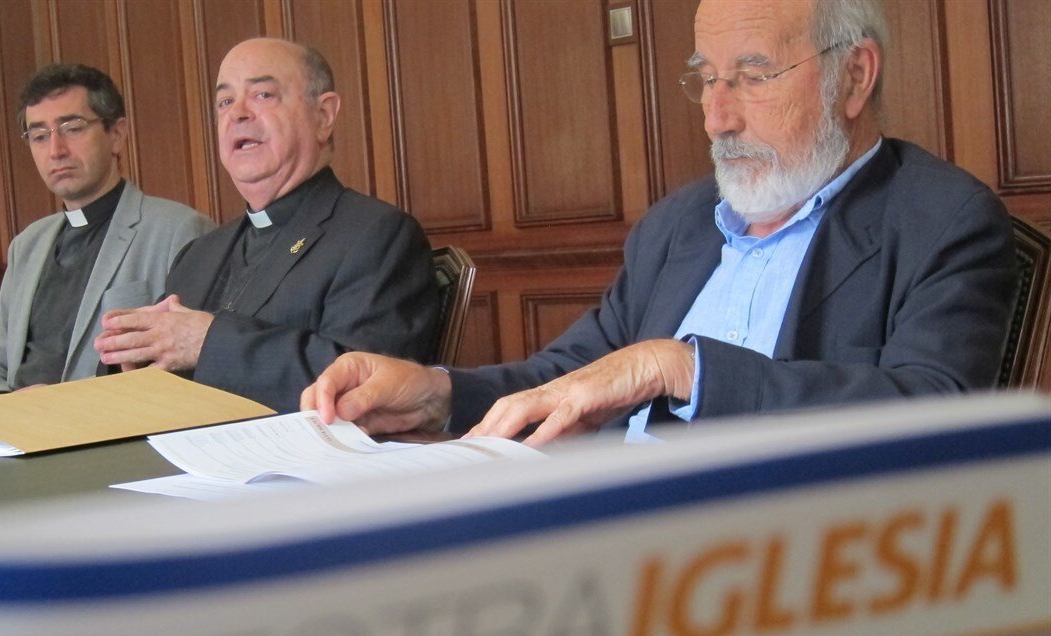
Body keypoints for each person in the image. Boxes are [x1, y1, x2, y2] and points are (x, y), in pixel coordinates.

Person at [302, 0, 1016, 445]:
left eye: (753, 77)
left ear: (854, 76)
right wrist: (436, 393)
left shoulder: (942, 220)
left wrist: (684, 368)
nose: (717, 117)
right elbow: (567, 377)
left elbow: (934, 415)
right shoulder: (679, 225)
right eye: (707, 78)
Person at [93, 39, 441, 413]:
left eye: (262, 95)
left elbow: (368, 385)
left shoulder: (378, 236)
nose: (237, 114)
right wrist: (130, 355)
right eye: (225, 102)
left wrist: (207, 342)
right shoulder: (198, 254)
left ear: (323, 115)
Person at [0, 64, 213, 398]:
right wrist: (2, 405)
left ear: (116, 134)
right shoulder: (27, 245)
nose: (56, 150)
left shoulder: (178, 231)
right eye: (39, 136)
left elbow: (190, 374)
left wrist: (62, 407)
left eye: (73, 128)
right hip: (16, 422)